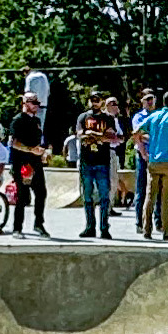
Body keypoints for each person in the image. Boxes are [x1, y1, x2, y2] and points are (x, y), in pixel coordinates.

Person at [134, 89, 168, 240]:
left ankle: (146, 230)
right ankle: (167, 230)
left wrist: (143, 152)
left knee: (150, 196)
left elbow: (136, 132)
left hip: (154, 160)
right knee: (166, 198)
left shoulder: (154, 116)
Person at [9, 90, 50, 237]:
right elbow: (14, 143)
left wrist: (42, 152)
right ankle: (17, 228)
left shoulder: (37, 121)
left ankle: (39, 223)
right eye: (33, 102)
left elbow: (39, 141)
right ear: (25, 103)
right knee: (22, 196)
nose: (36, 106)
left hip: (35, 163)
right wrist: (30, 150)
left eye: (37, 103)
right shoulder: (18, 120)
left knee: (41, 193)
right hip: (21, 163)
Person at [74, 92, 115, 238]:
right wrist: (94, 135)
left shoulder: (108, 118)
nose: (94, 103)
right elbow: (79, 134)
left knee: (104, 196)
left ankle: (104, 227)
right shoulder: (83, 117)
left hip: (102, 162)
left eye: (97, 100)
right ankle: (89, 226)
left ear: (102, 102)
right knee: (87, 197)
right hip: (87, 162)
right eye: (92, 100)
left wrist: (94, 134)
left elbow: (111, 137)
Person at [130, 87, 157, 228]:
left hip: (157, 155)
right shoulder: (139, 117)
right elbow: (139, 136)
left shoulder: (158, 116)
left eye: (152, 99)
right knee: (141, 188)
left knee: (157, 188)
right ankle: (139, 221)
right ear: (142, 101)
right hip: (142, 155)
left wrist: (150, 137)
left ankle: (158, 221)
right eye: (147, 99)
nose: (150, 102)